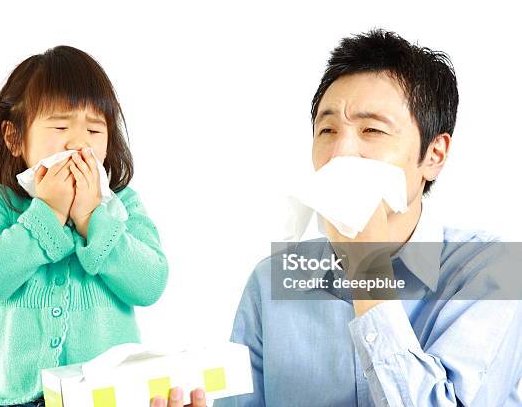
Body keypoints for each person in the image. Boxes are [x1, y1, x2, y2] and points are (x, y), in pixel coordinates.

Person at [212, 29, 522, 406]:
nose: (342, 152)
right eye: (327, 130)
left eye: (372, 130)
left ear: (434, 155)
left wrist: (367, 269)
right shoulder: (270, 280)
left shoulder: (493, 270)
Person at [0, 45, 169, 406]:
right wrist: (46, 213)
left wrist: (92, 219)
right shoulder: (0, 202)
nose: (78, 143)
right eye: (60, 126)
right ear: (14, 138)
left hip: (108, 395)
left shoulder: (123, 205)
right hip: (14, 396)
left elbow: (150, 284)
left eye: (94, 130)